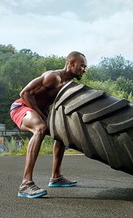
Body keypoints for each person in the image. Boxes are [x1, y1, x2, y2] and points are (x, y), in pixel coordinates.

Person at [10, 51, 87, 198]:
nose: (84, 70)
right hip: (21, 107)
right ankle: (25, 184)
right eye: (81, 66)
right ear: (71, 63)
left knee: (60, 133)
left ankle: (56, 177)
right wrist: (41, 114)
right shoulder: (53, 77)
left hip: (38, 111)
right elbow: (25, 93)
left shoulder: (69, 85)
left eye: (85, 67)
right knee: (40, 128)